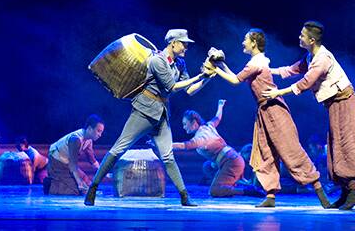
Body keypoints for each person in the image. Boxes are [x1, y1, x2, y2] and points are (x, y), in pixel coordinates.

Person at [84, 29, 210, 207]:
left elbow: (189, 90)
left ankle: (184, 196)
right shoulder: (157, 60)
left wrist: (207, 77)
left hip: (161, 114)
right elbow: (172, 87)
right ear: (173, 43)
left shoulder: (180, 63)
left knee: (168, 157)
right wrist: (201, 75)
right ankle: (93, 188)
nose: (186, 47)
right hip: (144, 111)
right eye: (184, 43)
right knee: (119, 149)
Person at [209, 28, 331, 209]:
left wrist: (216, 69)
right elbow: (237, 76)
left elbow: (235, 80)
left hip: (275, 110)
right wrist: (220, 65)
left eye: (245, 39)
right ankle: (270, 195)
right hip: (264, 111)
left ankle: (320, 192)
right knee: (266, 153)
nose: (242, 42)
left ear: (254, 43)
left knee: (291, 151)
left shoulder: (256, 63)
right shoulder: (256, 62)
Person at [263, 21, 355, 210]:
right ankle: (346, 193)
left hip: (346, 103)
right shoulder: (310, 57)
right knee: (336, 149)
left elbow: (306, 82)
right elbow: (291, 70)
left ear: (311, 40)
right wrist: (264, 69)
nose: (299, 37)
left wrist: (278, 92)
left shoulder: (322, 58)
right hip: (334, 105)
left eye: (302, 35)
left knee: (348, 146)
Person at [172, 100, 246, 197]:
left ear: (194, 123)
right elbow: (217, 118)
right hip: (233, 159)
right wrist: (220, 105)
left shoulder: (202, 137)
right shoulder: (208, 126)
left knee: (214, 191)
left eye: (185, 124)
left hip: (232, 162)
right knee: (207, 166)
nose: (184, 127)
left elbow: (185, 145)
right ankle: (229, 184)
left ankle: (246, 191)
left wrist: (166, 145)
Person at [44, 115, 104, 195]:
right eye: (98, 131)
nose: (100, 135)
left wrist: (102, 171)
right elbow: (73, 164)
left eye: (101, 132)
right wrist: (79, 183)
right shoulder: (76, 139)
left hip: (67, 163)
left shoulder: (89, 140)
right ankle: (49, 185)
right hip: (56, 162)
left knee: (87, 182)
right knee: (77, 190)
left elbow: (91, 158)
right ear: (90, 129)